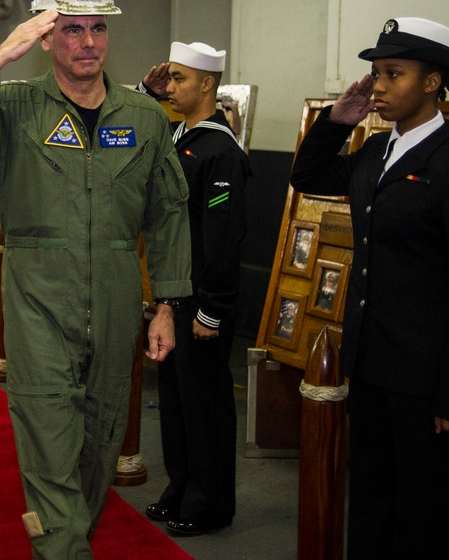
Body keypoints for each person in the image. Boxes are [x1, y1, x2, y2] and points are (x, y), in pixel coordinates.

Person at [0, 0, 192, 559]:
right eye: (71, 27)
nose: (87, 42)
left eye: (98, 27)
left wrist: (168, 305)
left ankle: (67, 541)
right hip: (38, 302)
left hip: (119, 301)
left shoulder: (144, 119)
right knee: (48, 443)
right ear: (45, 35)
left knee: (97, 452)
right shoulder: (13, 110)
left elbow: (168, 212)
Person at [289, 17, 449, 558]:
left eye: (393, 73)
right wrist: (336, 123)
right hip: (373, 368)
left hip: (428, 384)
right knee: (370, 504)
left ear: (433, 82)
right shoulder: (375, 155)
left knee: (423, 518)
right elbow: (309, 177)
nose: (378, 86)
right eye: (375, 73)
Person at [138, 41, 250, 536]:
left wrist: (212, 310)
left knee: (205, 405)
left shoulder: (220, 150)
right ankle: (181, 486)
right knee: (177, 400)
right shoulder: (178, 136)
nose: (172, 87)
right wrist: (147, 90)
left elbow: (223, 240)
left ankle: (210, 502)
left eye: (180, 79)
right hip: (173, 294)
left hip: (201, 298)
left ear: (208, 84)